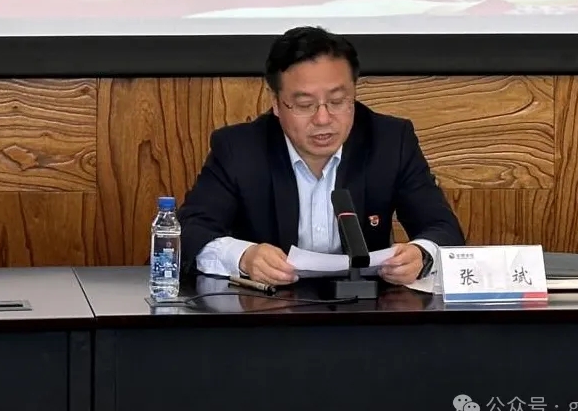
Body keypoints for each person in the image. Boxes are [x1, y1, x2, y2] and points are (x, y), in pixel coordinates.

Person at [178, 26, 465, 287]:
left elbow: (443, 228)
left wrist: (421, 255)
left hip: (366, 312)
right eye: (305, 105)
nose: (323, 118)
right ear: (276, 103)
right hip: (266, 311)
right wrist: (244, 256)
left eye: (338, 101)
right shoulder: (239, 148)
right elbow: (190, 231)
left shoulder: (390, 141)